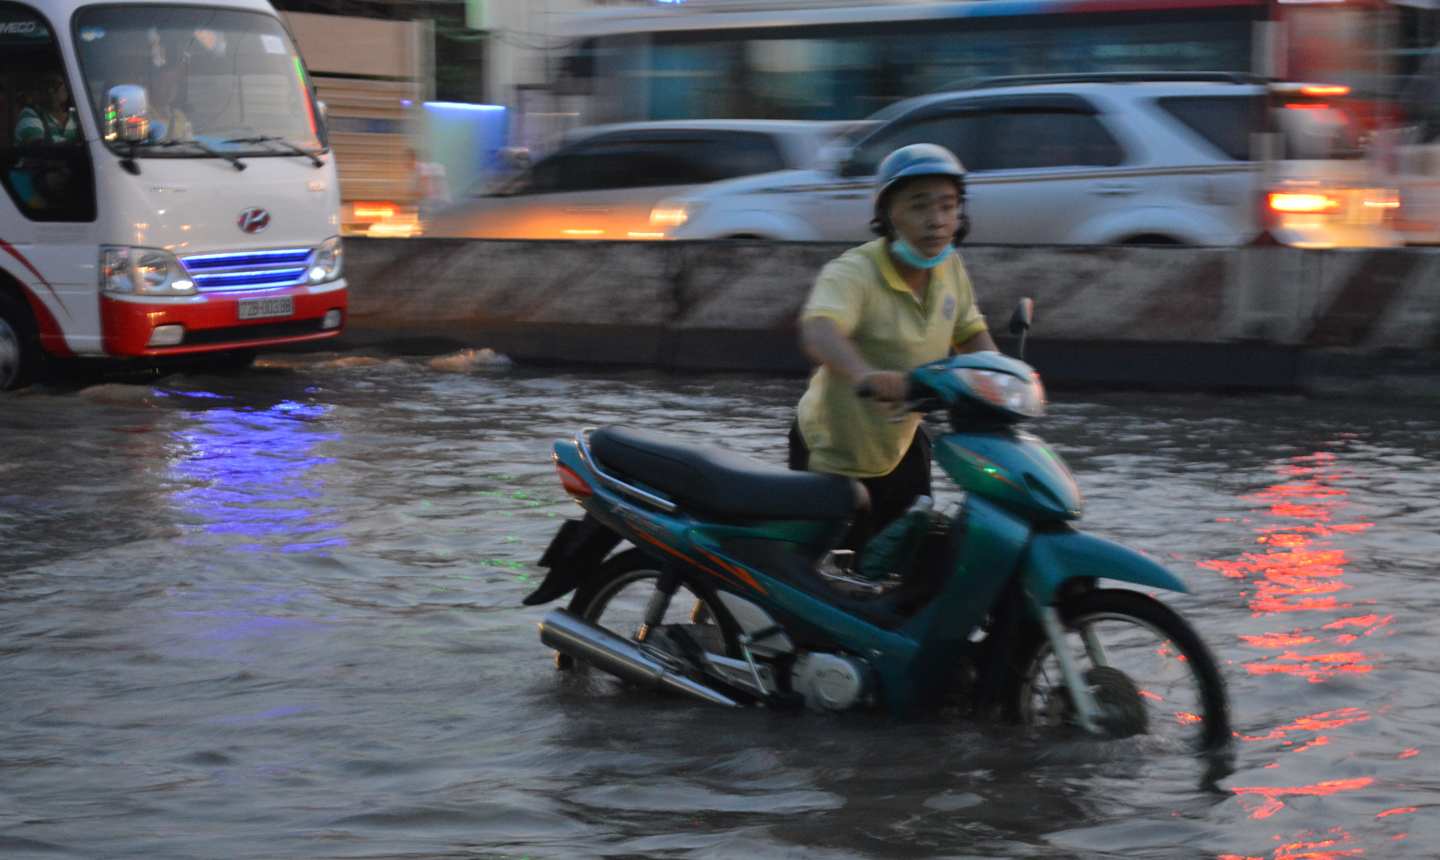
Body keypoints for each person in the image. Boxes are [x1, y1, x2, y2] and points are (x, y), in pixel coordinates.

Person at [790, 143, 997, 551]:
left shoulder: (949, 266)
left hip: (902, 442)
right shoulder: (854, 271)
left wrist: (1001, 381)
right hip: (836, 450)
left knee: (910, 556)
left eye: (948, 206)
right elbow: (820, 329)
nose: (937, 221)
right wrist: (865, 374)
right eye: (920, 207)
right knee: (837, 578)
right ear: (888, 215)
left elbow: (970, 332)